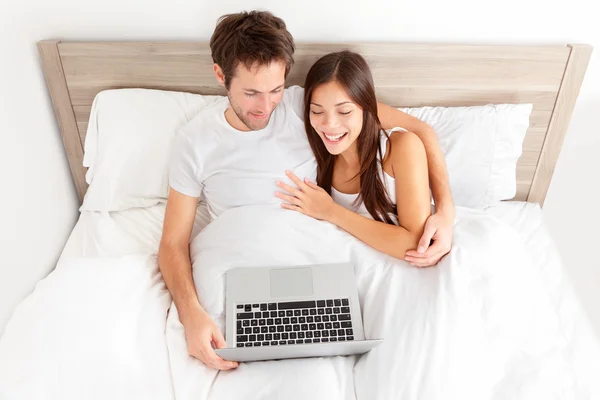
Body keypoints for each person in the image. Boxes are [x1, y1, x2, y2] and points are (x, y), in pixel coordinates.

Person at [158, 10, 455, 371]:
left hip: (315, 260)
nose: (266, 106)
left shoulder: (314, 106)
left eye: (275, 90)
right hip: (238, 263)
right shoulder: (194, 142)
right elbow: (173, 243)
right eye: (251, 93)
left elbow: (419, 130)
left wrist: (446, 210)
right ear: (221, 75)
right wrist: (190, 316)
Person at [275, 50, 431, 260]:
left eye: (344, 112)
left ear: (366, 108)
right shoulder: (318, 157)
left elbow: (414, 244)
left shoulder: (401, 148)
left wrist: (331, 212)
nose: (329, 125)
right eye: (317, 111)